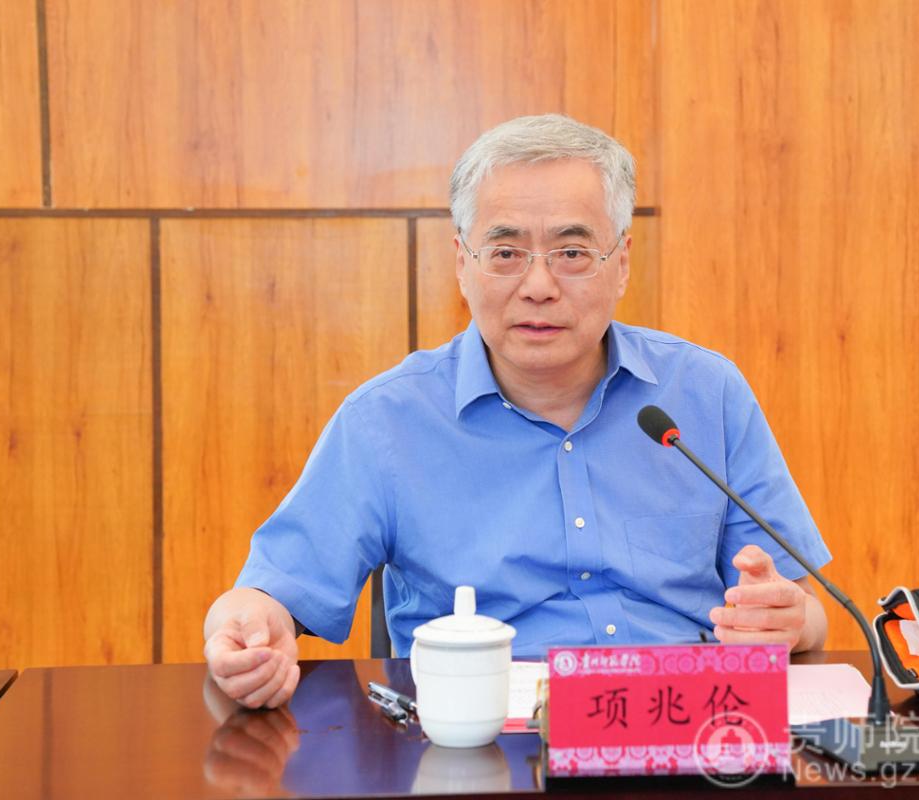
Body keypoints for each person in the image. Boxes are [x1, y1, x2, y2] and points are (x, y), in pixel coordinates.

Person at [203, 114, 831, 709]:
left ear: (621, 263)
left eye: (572, 252)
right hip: (478, 736)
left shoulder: (705, 393)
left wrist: (789, 620)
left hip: (685, 726)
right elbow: (270, 594)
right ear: (462, 264)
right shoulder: (387, 421)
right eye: (506, 253)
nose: (538, 286)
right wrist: (246, 627)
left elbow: (807, 613)